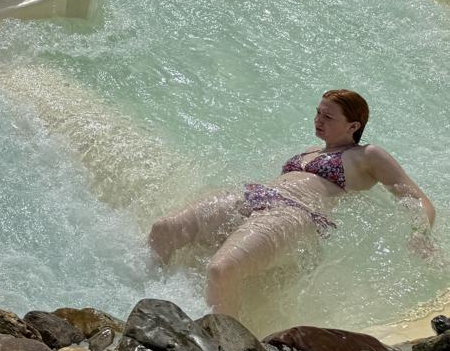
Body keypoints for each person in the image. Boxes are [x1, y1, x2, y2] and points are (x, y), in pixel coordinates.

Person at [149, 89, 436, 316]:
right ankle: (146, 299)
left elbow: (418, 199)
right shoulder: (311, 151)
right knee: (164, 229)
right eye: (317, 113)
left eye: (328, 117)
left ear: (353, 126)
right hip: (256, 196)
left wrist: (419, 233)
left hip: (295, 213)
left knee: (221, 270)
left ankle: (226, 349)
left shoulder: (368, 155)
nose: (318, 120)